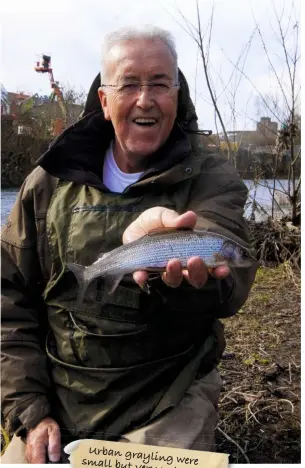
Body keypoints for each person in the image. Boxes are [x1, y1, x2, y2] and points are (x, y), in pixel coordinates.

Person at [1, 26, 257, 464]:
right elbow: (8, 303)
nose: (145, 99)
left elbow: (228, 258)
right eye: (129, 84)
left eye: (159, 84)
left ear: (176, 96)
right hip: (58, 391)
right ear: (104, 99)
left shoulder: (213, 177)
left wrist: (192, 276)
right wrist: (30, 408)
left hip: (168, 394)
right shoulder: (45, 183)